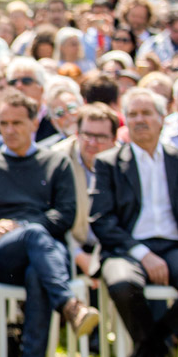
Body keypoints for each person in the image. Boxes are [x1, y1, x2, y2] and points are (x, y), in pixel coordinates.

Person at [0, 90, 99, 357]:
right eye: (4, 123)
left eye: (17, 123)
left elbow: (66, 215)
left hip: (46, 257)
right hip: (4, 257)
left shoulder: (56, 163)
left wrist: (22, 226)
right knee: (35, 238)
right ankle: (69, 305)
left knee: (39, 267)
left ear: (35, 123)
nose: (9, 130)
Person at [91, 88, 178, 357]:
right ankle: (156, 351)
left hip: (175, 247)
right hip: (127, 248)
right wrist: (141, 254)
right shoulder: (108, 163)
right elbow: (102, 220)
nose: (140, 120)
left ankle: (152, 346)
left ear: (162, 119)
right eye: (133, 114)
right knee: (123, 285)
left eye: (146, 113)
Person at [51, 103, 119, 278]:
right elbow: (54, 217)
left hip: (111, 246)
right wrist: (79, 256)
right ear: (76, 133)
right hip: (69, 245)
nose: (92, 143)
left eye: (101, 137)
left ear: (114, 139)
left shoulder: (123, 162)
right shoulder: (57, 159)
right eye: (87, 135)